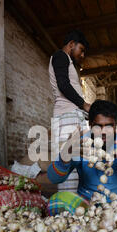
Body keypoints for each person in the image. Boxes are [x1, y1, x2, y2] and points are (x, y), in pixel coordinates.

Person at [49, 30, 91, 194]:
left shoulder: (67, 61)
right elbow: (63, 85)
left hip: (72, 115)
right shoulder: (60, 56)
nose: (81, 54)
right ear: (71, 44)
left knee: (78, 160)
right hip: (66, 116)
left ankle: (78, 203)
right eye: (81, 49)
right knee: (69, 164)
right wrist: (84, 104)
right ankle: (69, 209)